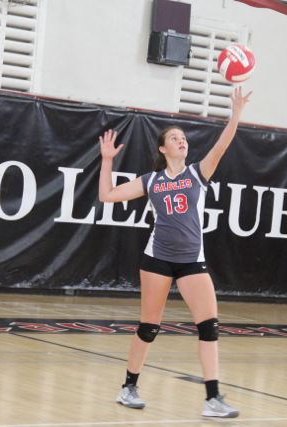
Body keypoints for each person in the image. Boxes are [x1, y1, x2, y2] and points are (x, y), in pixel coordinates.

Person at [98, 87, 251, 418]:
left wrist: (236, 114)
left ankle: (212, 399)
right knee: (149, 327)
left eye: (184, 138)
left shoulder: (198, 173)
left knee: (209, 325)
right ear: (163, 148)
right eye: (176, 138)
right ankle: (128, 387)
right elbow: (107, 195)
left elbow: (222, 144)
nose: (182, 141)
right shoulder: (152, 180)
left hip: (192, 261)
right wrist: (108, 161)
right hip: (157, 260)